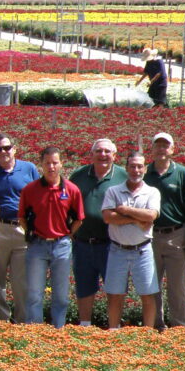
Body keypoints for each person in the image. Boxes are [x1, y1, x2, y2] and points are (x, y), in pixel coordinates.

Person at [19, 147, 85, 327]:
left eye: (55, 162)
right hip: (37, 245)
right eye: (47, 163)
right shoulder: (30, 190)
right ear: (41, 165)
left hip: (61, 245)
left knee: (61, 295)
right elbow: (22, 217)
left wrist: (67, 235)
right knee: (34, 294)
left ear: (61, 164)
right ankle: (35, 332)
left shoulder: (71, 190)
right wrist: (33, 232)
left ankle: (58, 332)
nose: (51, 167)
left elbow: (79, 218)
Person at [0, 134, 38, 323]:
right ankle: (1, 322)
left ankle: (22, 322)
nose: (3, 152)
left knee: (21, 282)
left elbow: (40, 196)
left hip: (22, 228)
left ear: (14, 148)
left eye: (6, 148)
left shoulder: (28, 169)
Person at [101, 151, 161, 329]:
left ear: (145, 168)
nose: (136, 170)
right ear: (126, 168)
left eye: (140, 166)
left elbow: (151, 215)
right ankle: (113, 331)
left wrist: (123, 209)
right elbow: (108, 217)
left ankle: (147, 335)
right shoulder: (113, 190)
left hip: (142, 250)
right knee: (114, 294)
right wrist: (137, 219)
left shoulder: (152, 192)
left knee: (148, 294)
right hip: (117, 250)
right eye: (132, 166)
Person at [70, 139, 126, 326]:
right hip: (83, 241)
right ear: (91, 154)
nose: (103, 155)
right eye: (99, 151)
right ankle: (85, 325)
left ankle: (114, 327)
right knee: (84, 286)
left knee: (114, 286)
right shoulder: (78, 176)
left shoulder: (123, 176)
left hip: (112, 243)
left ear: (114, 155)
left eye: (107, 152)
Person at [144, 132, 185, 330]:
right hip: (150, 235)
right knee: (151, 284)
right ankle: (156, 326)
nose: (162, 149)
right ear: (152, 149)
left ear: (172, 149)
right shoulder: (144, 173)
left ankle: (179, 327)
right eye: (158, 145)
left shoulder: (183, 173)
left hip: (176, 235)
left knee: (177, 286)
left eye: (166, 146)